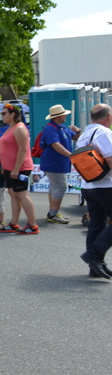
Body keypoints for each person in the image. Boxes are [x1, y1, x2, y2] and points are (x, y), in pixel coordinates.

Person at [76, 104, 112, 278]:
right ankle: (95, 255)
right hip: (106, 186)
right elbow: (110, 159)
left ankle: (95, 266)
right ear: (108, 117)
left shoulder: (83, 135)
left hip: (88, 186)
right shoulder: (104, 133)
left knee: (96, 225)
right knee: (100, 224)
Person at [0, 103, 38, 234]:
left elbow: (23, 150)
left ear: (12, 114)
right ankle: (14, 223)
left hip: (20, 168)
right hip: (10, 168)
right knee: (13, 194)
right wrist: (5, 167)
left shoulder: (20, 128)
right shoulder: (10, 128)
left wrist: (16, 169)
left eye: (4, 113)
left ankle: (32, 225)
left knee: (22, 195)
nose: (1, 116)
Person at [38, 104, 82, 224]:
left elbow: (77, 137)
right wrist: (71, 155)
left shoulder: (61, 127)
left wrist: (78, 131)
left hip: (56, 163)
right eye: (64, 114)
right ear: (60, 116)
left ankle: (53, 212)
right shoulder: (51, 129)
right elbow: (55, 145)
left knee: (54, 188)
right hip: (54, 163)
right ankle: (53, 214)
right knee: (60, 187)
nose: (66, 115)